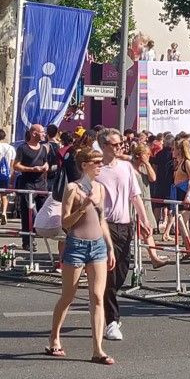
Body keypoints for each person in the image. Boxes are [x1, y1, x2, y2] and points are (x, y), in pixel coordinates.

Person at [47, 148, 117, 365]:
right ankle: (54, 338)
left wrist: (110, 246)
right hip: (76, 245)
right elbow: (65, 223)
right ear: (84, 165)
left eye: (101, 161)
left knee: (97, 297)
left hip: (97, 246)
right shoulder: (72, 188)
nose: (100, 165)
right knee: (68, 296)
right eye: (96, 162)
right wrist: (83, 207)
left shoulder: (100, 188)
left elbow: (102, 220)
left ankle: (98, 350)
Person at [97, 128, 152, 342]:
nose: (120, 147)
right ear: (104, 146)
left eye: (121, 144)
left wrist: (144, 220)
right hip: (104, 226)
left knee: (121, 271)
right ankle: (112, 321)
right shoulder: (97, 168)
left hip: (125, 225)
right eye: (115, 144)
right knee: (110, 274)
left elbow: (135, 196)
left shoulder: (126, 167)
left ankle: (103, 302)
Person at [13, 124, 52, 252]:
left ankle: (39, 231)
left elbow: (46, 162)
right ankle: (27, 241)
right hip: (27, 183)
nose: (44, 134)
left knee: (43, 210)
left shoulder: (44, 148)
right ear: (34, 133)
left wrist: (45, 166)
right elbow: (16, 165)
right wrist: (31, 169)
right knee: (27, 213)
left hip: (41, 183)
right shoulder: (22, 148)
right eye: (42, 132)